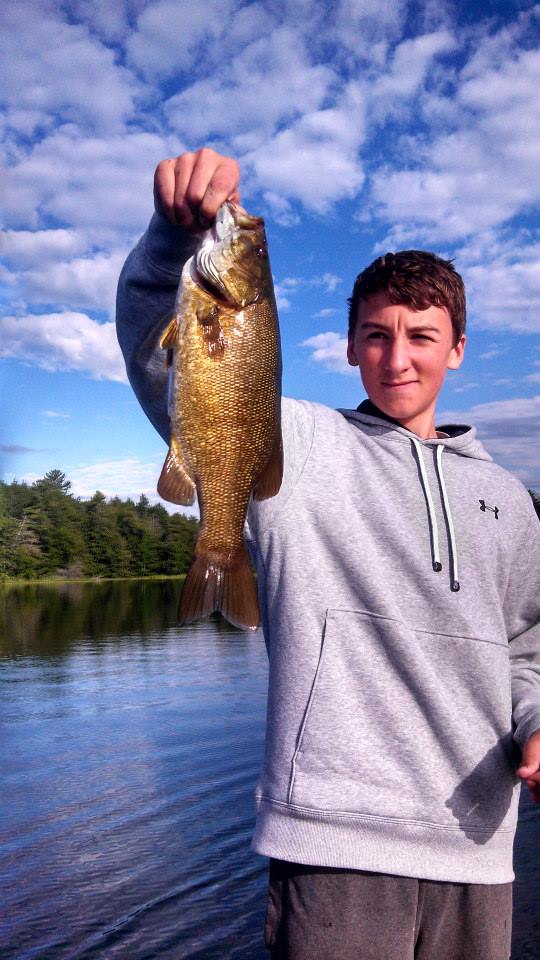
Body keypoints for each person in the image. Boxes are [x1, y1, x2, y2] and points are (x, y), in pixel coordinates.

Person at [116, 148, 540, 960]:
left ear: (457, 349)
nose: (398, 355)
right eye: (376, 336)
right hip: (331, 844)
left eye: (422, 336)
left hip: (480, 849)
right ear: (349, 347)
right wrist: (170, 245)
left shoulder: (512, 502)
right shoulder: (304, 446)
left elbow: (528, 647)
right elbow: (162, 362)